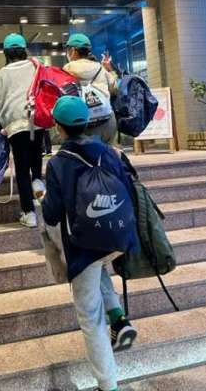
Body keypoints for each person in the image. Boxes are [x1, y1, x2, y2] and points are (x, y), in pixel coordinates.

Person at [42, 96, 138, 391]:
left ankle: (108, 385)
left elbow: (52, 213)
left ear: (58, 127)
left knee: (90, 317)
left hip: (83, 244)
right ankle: (119, 319)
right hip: (116, 237)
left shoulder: (58, 163)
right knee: (98, 267)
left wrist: (42, 199)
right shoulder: (109, 152)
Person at [0, 33, 43, 228]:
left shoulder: (3, 73)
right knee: (36, 157)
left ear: (6, 53)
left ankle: (29, 214)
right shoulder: (36, 66)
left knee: (22, 168)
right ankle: (38, 183)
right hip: (37, 119)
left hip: (16, 125)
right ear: (24, 50)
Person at [64, 33, 118, 144]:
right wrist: (110, 71)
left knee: (83, 154)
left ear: (73, 51)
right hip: (107, 120)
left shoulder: (66, 70)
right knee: (107, 153)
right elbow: (115, 89)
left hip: (81, 124)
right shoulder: (100, 68)